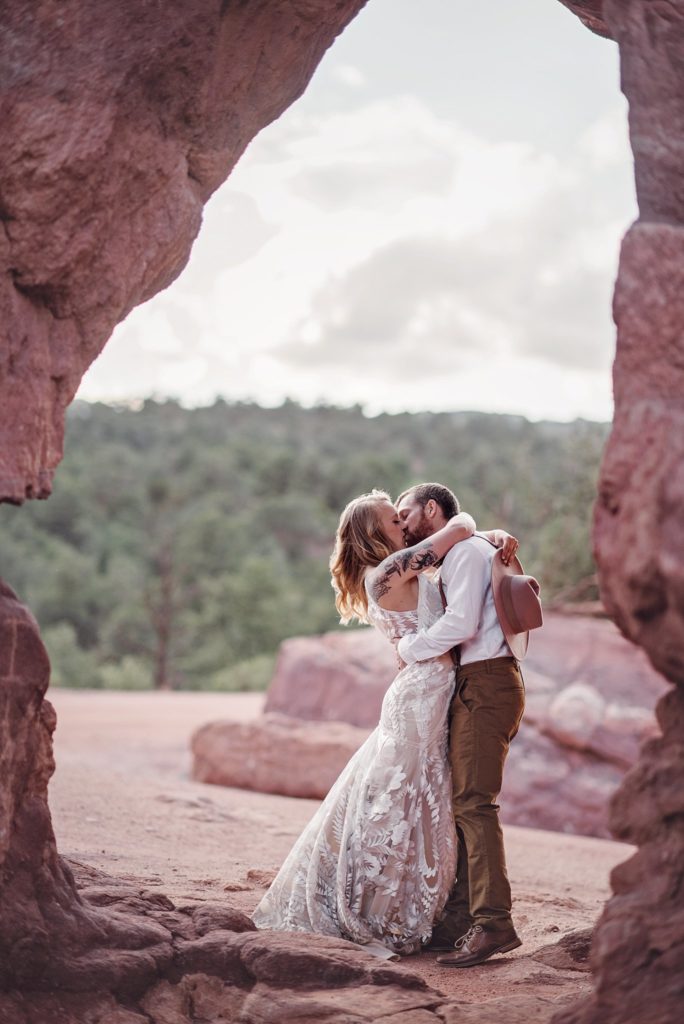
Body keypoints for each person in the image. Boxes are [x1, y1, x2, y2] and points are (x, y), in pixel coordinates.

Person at [252, 488, 516, 960]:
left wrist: (489, 537)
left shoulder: (408, 568)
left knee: (427, 797)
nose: (402, 524)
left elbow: (459, 541)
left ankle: (433, 910)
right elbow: (459, 527)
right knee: (396, 799)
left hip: (436, 691)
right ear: (375, 533)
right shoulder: (384, 576)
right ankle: (374, 908)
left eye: (402, 516)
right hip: (418, 696)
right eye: (394, 521)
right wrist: (474, 527)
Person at [396, 482, 525, 968]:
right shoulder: (460, 552)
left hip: (486, 682)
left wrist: (407, 651)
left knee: (474, 803)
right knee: (462, 804)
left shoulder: (467, 553)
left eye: (406, 513)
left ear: (432, 509)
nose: (404, 524)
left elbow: (462, 623)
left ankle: (494, 924)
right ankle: (458, 921)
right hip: (476, 682)